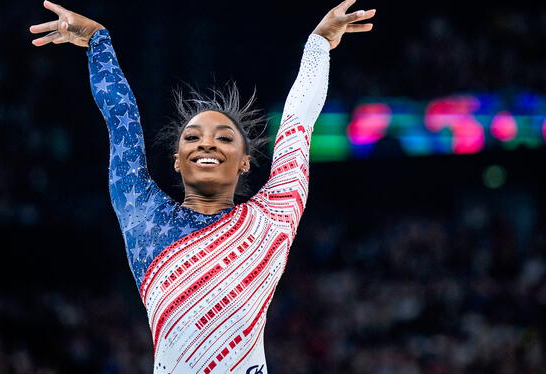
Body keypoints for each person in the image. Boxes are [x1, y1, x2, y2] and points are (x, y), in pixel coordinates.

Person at [30, 1, 375, 372]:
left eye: (224, 138)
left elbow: (298, 122)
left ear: (245, 162)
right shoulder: (143, 215)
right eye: (192, 137)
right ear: (177, 160)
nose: (206, 143)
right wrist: (99, 43)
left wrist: (319, 45)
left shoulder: (272, 217)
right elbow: (121, 120)